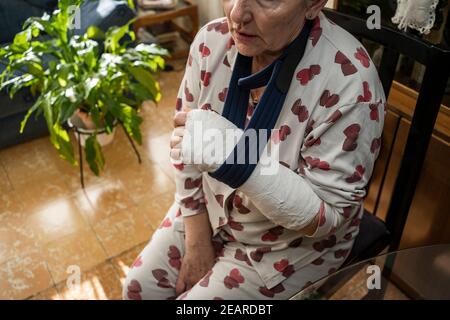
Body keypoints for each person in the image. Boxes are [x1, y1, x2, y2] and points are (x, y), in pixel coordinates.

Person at [123, 0, 386, 300]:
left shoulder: (351, 86)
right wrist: (197, 239)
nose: (236, 14)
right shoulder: (211, 42)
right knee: (136, 289)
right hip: (210, 207)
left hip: (286, 249)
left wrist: (238, 160)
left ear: (313, 4)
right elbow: (185, 145)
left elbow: (327, 217)